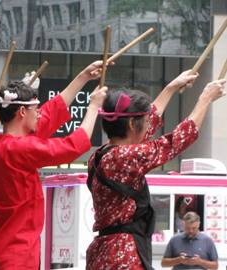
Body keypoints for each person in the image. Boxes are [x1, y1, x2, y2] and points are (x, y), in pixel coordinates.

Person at [85, 72, 226, 269]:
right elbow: (177, 141)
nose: (150, 123)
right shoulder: (123, 158)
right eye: (146, 120)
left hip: (104, 252)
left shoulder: (100, 156)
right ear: (133, 124)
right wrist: (205, 99)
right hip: (122, 255)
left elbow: (147, 125)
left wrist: (172, 87)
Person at [0, 61, 108, 269]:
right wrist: (94, 107)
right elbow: (72, 147)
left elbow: (52, 112)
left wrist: (83, 76)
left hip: (9, 247)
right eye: (36, 109)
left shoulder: (4, 144)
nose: (40, 113)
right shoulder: (19, 148)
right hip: (17, 252)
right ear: (22, 113)